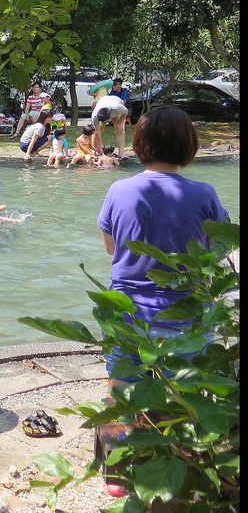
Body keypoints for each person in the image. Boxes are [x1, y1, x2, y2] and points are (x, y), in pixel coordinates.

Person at [97, 107, 227, 394]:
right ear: (189, 146)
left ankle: (116, 434)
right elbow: (219, 250)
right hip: (186, 317)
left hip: (126, 314)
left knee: (120, 393)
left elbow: (111, 249)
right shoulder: (204, 194)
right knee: (182, 400)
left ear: (139, 142)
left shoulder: (118, 190)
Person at [91, 93, 130, 159]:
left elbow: (126, 111)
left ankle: (121, 153)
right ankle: (95, 151)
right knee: (95, 131)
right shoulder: (95, 116)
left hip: (115, 101)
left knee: (120, 129)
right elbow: (97, 131)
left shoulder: (117, 107)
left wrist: (120, 123)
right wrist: (100, 144)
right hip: (103, 100)